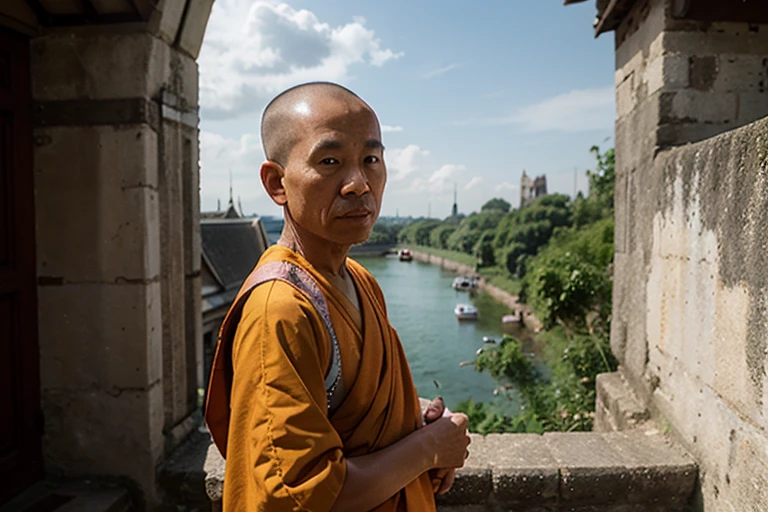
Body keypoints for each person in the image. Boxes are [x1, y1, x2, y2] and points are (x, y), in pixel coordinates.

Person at [205, 82, 471, 512]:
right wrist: (428, 451)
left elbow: (348, 411)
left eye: (371, 160)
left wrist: (411, 421)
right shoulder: (282, 310)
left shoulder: (360, 280)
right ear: (277, 183)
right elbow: (302, 496)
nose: (358, 184)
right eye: (329, 162)